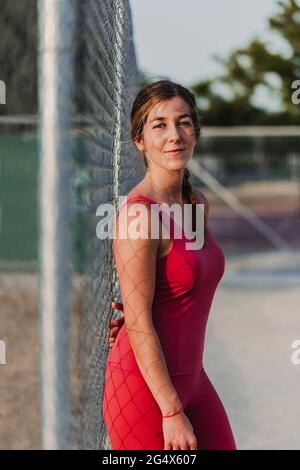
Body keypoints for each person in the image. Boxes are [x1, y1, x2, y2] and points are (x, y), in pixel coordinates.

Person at [102, 79, 237, 450]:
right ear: (140, 140)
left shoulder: (196, 204)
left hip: (194, 378)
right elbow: (141, 320)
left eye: (184, 122)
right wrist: (171, 411)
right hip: (145, 393)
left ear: (196, 131)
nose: (174, 135)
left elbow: (173, 292)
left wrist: (141, 309)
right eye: (159, 125)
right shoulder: (139, 218)